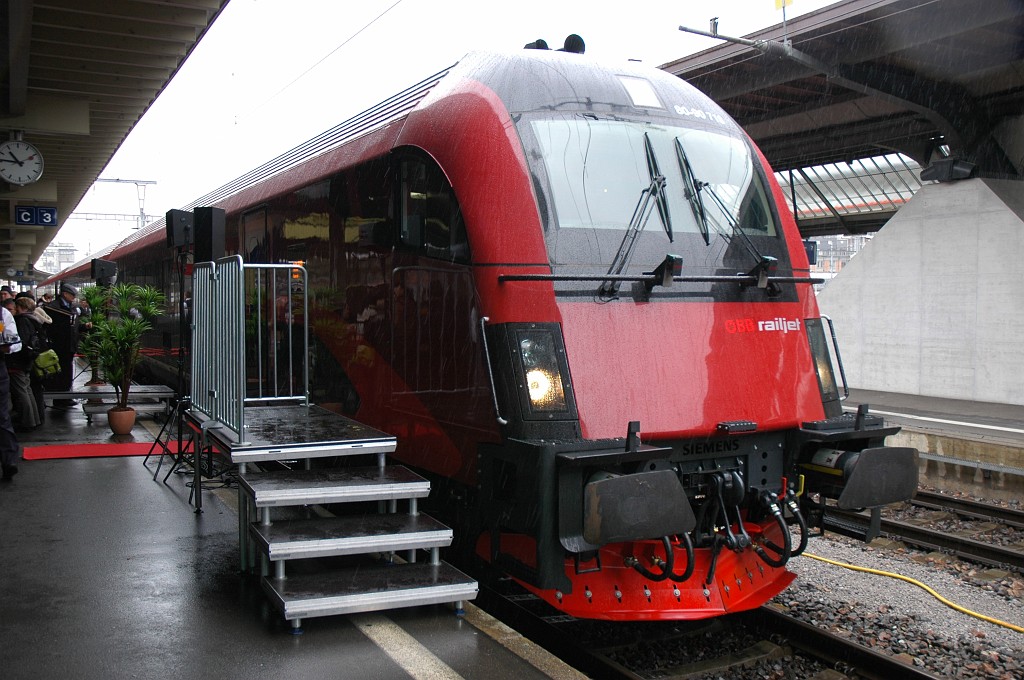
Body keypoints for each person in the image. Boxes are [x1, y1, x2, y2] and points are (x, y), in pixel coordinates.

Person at [43, 283, 89, 408]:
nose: (74, 298)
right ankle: (59, 398)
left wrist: (84, 327)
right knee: (59, 373)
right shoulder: (53, 308)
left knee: (67, 372)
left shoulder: (72, 307)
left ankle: (65, 396)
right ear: (65, 294)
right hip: (58, 345)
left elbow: (73, 326)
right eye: (72, 295)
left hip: (70, 346)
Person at [8, 297, 43, 430]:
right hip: (28, 360)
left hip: (18, 361)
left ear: (21, 307)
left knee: (22, 391)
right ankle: (34, 419)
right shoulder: (33, 319)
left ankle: (28, 421)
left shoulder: (22, 321)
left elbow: (21, 342)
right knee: (27, 390)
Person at [0, 301, 22, 480]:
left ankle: (9, 462)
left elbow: (16, 342)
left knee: (1, 416)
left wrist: (7, 347)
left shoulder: (3, 315)